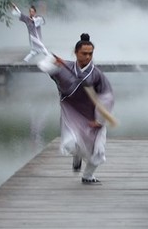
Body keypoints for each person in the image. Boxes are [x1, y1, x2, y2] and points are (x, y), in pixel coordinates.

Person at [37, 33, 115, 184]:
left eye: (90, 54)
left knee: (98, 151)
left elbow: (107, 96)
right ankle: (77, 155)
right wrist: (53, 61)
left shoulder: (96, 74)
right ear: (76, 52)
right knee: (70, 144)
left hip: (92, 116)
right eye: (84, 53)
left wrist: (100, 119)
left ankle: (88, 176)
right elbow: (44, 66)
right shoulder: (63, 68)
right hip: (71, 115)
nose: (87, 57)